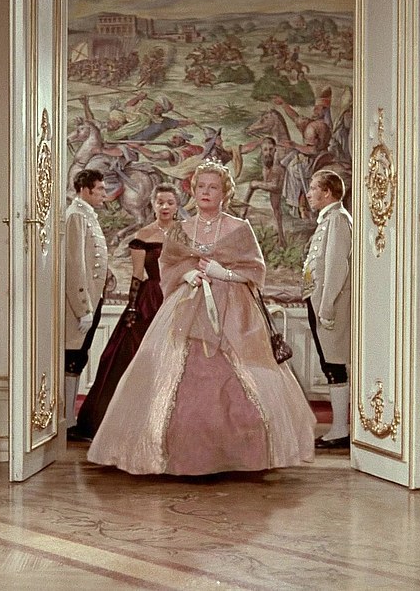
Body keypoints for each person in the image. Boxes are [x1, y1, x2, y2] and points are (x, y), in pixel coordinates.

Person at [87, 160, 316, 475]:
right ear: (193, 192)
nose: (206, 192)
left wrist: (225, 273)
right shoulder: (181, 229)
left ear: (225, 193)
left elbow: (255, 270)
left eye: (213, 187)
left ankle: (240, 454)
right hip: (187, 306)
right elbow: (168, 264)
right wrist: (186, 273)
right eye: (201, 187)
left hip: (234, 310)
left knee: (242, 377)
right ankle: (174, 454)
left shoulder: (240, 228)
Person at [73, 184, 180, 440]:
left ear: (177, 206)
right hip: (151, 299)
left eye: (170, 202)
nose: (165, 207)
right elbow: (137, 275)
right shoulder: (143, 235)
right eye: (160, 202)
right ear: (152, 204)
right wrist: (132, 307)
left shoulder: (185, 234)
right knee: (132, 357)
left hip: (179, 296)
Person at [302, 170, 352, 449]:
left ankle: (340, 429)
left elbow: (336, 266)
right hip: (318, 300)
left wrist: (327, 306)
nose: (309, 194)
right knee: (329, 363)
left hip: (329, 304)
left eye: (313, 188)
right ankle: (339, 427)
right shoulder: (328, 220)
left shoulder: (338, 220)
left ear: (327, 192)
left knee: (334, 364)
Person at [65, 169, 108, 440]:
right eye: (100, 189)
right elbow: (74, 264)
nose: (105, 194)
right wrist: (83, 307)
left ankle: (70, 421)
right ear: (85, 189)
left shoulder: (87, 216)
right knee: (72, 360)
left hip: (93, 299)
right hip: (80, 305)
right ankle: (67, 423)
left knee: (78, 359)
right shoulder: (76, 216)